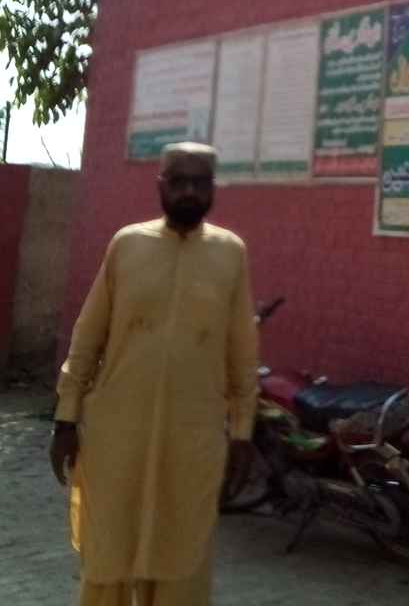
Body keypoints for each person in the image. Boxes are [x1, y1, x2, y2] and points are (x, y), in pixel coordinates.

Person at [50, 142, 259, 606]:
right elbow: (87, 338)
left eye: (199, 182)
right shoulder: (127, 245)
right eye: (178, 181)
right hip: (117, 437)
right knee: (108, 557)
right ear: (160, 185)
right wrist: (66, 419)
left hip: (192, 441)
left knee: (183, 559)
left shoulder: (231, 254)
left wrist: (243, 433)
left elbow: (242, 352)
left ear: (213, 188)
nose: (189, 191)